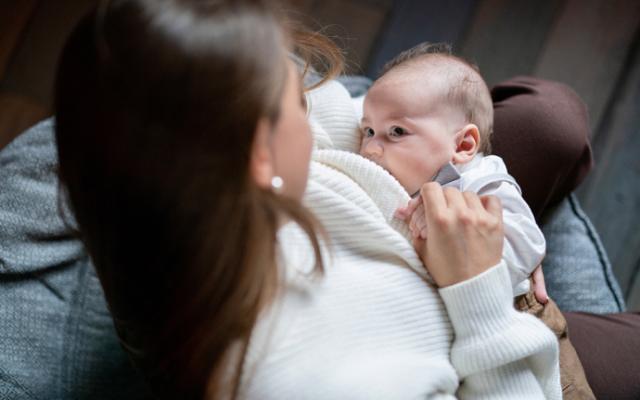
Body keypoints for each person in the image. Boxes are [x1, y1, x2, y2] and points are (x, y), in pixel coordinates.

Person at [52, 0, 562, 399]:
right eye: (297, 99)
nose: (317, 96)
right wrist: (481, 288)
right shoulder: (312, 376)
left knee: (552, 118)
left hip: (462, 224)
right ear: (260, 155)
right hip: (498, 335)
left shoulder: (169, 177)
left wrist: (497, 207)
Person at [356, 42, 593, 399]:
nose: (371, 149)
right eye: (368, 131)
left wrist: (451, 231)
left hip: (524, 318)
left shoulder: (483, 182)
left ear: (464, 145)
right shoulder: (399, 177)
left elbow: (527, 246)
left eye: (397, 133)